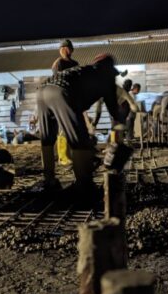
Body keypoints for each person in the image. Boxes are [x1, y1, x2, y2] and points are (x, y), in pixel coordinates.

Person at [37, 54, 127, 191]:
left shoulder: (84, 70)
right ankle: (83, 184)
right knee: (79, 140)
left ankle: (49, 180)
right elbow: (113, 110)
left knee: (47, 139)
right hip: (62, 92)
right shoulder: (106, 76)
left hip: (42, 90)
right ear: (109, 68)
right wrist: (122, 121)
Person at [51, 39, 80, 166]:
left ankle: (72, 153)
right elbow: (58, 82)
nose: (66, 51)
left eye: (68, 48)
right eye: (64, 48)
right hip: (62, 98)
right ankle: (62, 157)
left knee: (73, 127)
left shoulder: (75, 63)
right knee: (63, 127)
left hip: (73, 98)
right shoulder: (58, 64)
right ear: (61, 49)